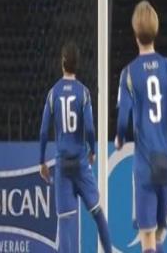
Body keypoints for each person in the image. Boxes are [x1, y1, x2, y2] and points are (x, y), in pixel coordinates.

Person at [115, 0, 167, 253]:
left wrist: (119, 138)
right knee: (158, 236)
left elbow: (123, 119)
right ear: (156, 30)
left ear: (135, 34)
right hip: (165, 160)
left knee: (146, 237)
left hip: (144, 163)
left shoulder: (129, 74)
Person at [39, 42, 112, 253]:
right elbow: (89, 127)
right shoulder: (84, 93)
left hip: (63, 164)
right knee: (97, 213)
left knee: (65, 222)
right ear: (77, 64)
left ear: (63, 62)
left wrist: (41, 161)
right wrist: (93, 150)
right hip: (80, 162)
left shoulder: (53, 93)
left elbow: (43, 131)